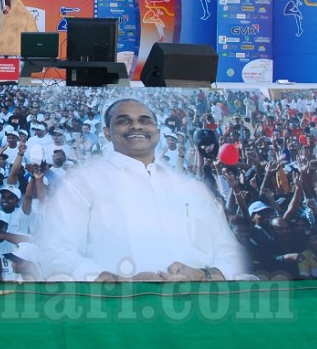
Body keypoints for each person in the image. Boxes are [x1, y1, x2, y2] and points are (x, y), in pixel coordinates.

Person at [37, 98, 247, 281]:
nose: (136, 126)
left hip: (197, 312)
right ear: (107, 133)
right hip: (113, 313)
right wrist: (115, 281)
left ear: (156, 130)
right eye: (124, 120)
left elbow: (228, 251)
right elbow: (54, 252)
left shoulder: (191, 189)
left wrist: (203, 276)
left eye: (145, 120)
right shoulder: (83, 183)